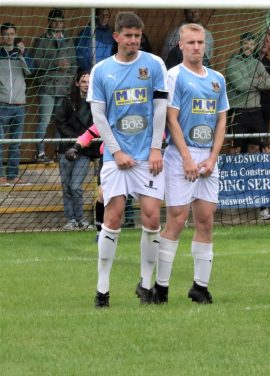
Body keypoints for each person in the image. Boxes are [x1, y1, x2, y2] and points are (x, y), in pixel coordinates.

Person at [87, 11, 168, 308]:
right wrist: (116, 151)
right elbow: (99, 116)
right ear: (117, 37)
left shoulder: (154, 64)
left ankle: (146, 286)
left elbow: (160, 109)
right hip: (115, 156)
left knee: (151, 216)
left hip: (148, 155)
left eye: (137, 36)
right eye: (128, 36)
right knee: (114, 217)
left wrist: (156, 147)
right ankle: (103, 291)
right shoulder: (101, 71)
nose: (134, 40)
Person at [152, 23, 228, 305]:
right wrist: (186, 158)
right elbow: (171, 119)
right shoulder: (174, 76)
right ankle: (160, 287)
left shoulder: (217, 79)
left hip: (208, 157)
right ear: (180, 46)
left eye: (200, 42)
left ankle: (200, 286)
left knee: (206, 220)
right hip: (180, 157)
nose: (196, 47)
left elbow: (221, 119)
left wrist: (212, 157)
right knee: (177, 220)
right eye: (191, 42)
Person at [31, 8, 77, 163]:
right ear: (49, 22)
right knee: (44, 121)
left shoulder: (68, 40)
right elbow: (36, 62)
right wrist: (55, 63)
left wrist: (70, 78)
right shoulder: (41, 40)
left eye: (60, 21)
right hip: (48, 87)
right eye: (54, 21)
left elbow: (74, 64)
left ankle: (60, 152)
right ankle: (40, 153)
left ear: (64, 23)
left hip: (63, 87)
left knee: (60, 122)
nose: (57, 24)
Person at [55, 71, 100, 230]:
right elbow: (60, 122)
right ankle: (70, 220)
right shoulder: (68, 101)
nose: (86, 85)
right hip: (66, 149)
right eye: (83, 82)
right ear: (77, 84)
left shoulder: (96, 102)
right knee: (66, 186)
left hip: (85, 151)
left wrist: (83, 142)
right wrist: (76, 139)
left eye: (89, 82)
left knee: (75, 186)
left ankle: (80, 218)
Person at [226, 32, 270, 154]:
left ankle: (253, 172)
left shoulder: (257, 63)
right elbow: (240, 86)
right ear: (241, 44)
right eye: (246, 43)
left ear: (255, 46)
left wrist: (248, 81)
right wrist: (257, 80)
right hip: (238, 112)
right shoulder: (232, 63)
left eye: (251, 44)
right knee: (235, 149)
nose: (248, 46)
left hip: (256, 111)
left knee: (255, 147)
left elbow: (268, 83)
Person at [0, 22, 31, 186]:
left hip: (19, 105)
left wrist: (22, 53)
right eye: (5, 34)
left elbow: (30, 70)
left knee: (15, 143)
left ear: (15, 35)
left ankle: (12, 175)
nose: (8, 37)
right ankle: (0, 176)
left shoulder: (21, 53)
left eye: (11, 33)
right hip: (2, 104)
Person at [256, 33, 270, 134]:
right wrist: (265, 79)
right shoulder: (250, 60)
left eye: (267, 41)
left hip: (265, 102)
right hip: (250, 103)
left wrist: (260, 79)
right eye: (262, 40)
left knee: (263, 133)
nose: (265, 43)